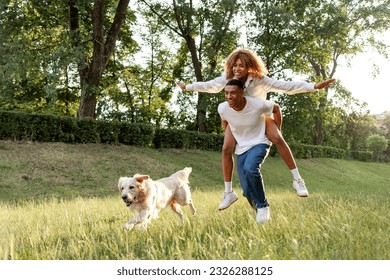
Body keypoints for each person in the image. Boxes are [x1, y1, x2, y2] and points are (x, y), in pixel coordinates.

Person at [176, 48, 335, 210]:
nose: (237, 69)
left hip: (259, 118)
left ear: (250, 67)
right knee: (226, 148)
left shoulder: (259, 80)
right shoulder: (228, 78)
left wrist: (314, 86)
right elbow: (210, 85)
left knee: (278, 138)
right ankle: (228, 193)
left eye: (241, 66)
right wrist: (188, 87)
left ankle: (297, 180)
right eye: (234, 65)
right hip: (238, 120)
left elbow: (286, 86)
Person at [218, 79, 281, 223]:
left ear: (242, 93)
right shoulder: (223, 108)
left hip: (260, 142)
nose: (229, 96)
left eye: (233, 93)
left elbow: (276, 108)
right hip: (241, 148)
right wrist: (233, 134)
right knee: (247, 191)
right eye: (226, 93)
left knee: (250, 169)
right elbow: (225, 122)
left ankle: (263, 206)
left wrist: (276, 130)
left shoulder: (256, 104)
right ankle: (261, 213)